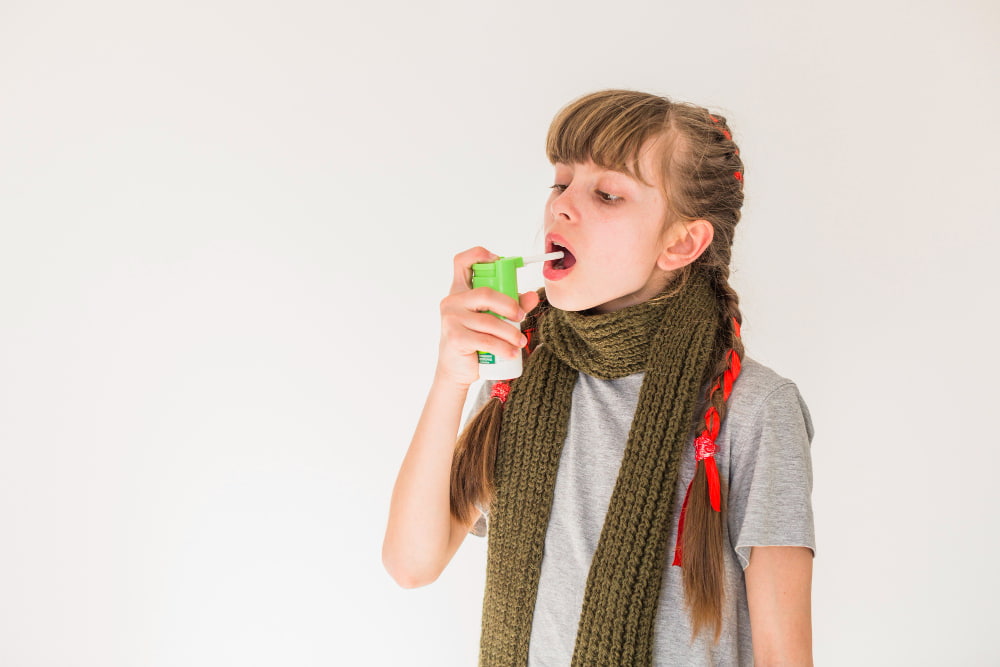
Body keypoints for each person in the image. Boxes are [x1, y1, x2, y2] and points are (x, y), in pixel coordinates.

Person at [382, 89, 815, 666]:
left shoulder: (755, 408)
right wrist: (451, 377)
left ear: (681, 242)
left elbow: (785, 656)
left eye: (607, 193)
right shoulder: (518, 375)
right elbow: (411, 564)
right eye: (560, 183)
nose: (562, 206)